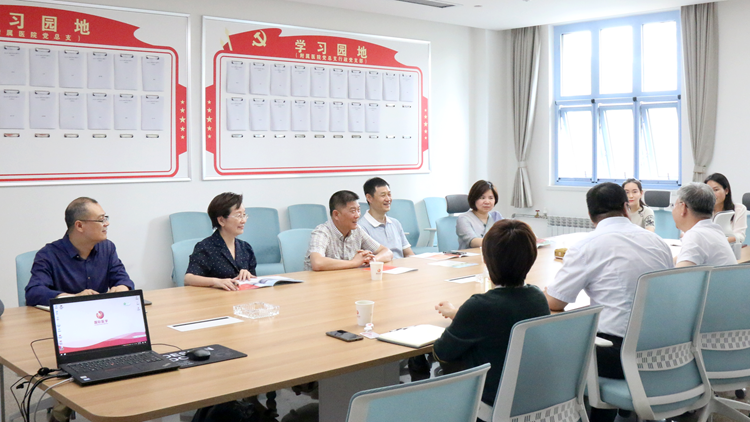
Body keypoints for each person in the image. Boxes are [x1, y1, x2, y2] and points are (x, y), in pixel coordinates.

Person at [544, 182, 673, 422]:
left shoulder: (587, 246)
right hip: (666, 351)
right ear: (626, 207)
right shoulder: (658, 242)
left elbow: (555, 303)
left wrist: (545, 291)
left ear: (590, 214)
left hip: (620, 356)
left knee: (552, 346)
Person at [432, 220, 550, 411]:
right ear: (532, 257)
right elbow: (502, 318)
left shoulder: (479, 306)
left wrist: (462, 316)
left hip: (492, 400)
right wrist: (459, 315)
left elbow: (441, 353)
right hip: (535, 395)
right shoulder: (537, 297)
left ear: (486, 259)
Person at [25, 197, 134, 307]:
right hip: (66, 314)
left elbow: (122, 278)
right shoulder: (48, 254)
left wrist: (122, 288)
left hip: (99, 314)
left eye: (106, 218)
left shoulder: (107, 248)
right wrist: (73, 298)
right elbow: (34, 292)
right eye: (101, 220)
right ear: (80, 226)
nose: (107, 223)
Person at [304, 190, 393, 271]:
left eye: (358, 210)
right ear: (336, 214)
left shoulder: (357, 230)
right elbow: (317, 263)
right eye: (353, 211)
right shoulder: (322, 232)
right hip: (321, 282)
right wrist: (354, 263)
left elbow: (387, 252)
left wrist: (371, 260)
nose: (357, 215)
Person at [185, 192, 257, 291]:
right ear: (221, 220)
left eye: (244, 215)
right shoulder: (205, 247)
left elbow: (253, 281)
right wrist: (216, 281)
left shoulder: (246, 248)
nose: (243, 220)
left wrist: (247, 275)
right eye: (238, 215)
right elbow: (188, 279)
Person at [673, 183, 737, 267]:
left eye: (674, 205)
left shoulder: (695, 235)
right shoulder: (714, 231)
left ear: (683, 207)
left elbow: (681, 274)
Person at [358, 177, 414, 259]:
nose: (388, 199)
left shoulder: (395, 223)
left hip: (401, 265)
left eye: (389, 194)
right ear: (369, 198)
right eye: (383, 195)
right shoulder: (361, 227)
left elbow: (408, 253)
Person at [455, 180, 503, 249]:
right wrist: (500, 242)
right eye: (482, 198)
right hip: (470, 255)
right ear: (474, 199)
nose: (487, 202)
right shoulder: (463, 219)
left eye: (491, 198)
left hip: (492, 254)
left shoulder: (496, 216)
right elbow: (473, 242)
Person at [704, 173, 747, 244]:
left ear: (726, 191)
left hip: (730, 247)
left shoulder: (739, 209)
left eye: (716, 190)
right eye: (708, 191)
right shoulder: (701, 210)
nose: (712, 194)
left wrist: (719, 241)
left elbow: (740, 236)